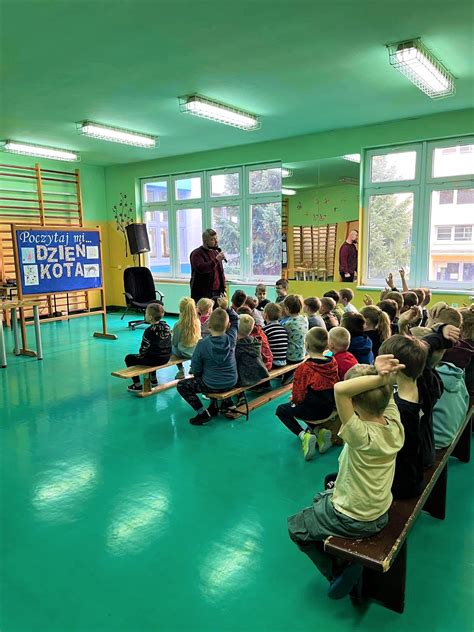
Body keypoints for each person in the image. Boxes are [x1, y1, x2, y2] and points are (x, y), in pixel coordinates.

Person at [288, 356, 405, 600]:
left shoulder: (359, 434)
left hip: (354, 517)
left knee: (297, 527)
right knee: (325, 489)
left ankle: (339, 573)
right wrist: (382, 377)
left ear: (353, 403)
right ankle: (344, 557)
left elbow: (340, 390)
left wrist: (379, 376)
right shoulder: (394, 425)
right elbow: (387, 393)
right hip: (379, 510)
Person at [275, 328, 339, 460]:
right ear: (326, 345)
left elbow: (298, 395)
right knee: (306, 401)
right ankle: (320, 432)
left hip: (311, 410)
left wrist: (293, 400)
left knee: (282, 409)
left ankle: (304, 436)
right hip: (328, 408)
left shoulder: (304, 368)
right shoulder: (332, 362)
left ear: (306, 345)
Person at [379, 334, 429, 499]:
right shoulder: (423, 386)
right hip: (414, 472)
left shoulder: (400, 410)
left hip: (401, 484)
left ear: (396, 368)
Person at [176, 298, 238, 425]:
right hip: (232, 381)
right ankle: (222, 403)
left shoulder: (202, 343)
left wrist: (200, 375)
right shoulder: (231, 339)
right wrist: (226, 307)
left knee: (182, 385)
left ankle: (202, 412)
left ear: (208, 326)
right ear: (228, 326)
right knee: (214, 372)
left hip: (211, 384)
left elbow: (195, 367)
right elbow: (236, 320)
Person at [224, 314, 270, 420]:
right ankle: (238, 397)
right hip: (257, 374)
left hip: (243, 379)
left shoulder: (236, 346)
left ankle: (228, 402)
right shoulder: (254, 342)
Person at [124, 302, 172, 392]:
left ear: (149, 317)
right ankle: (153, 379)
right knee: (154, 352)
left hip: (155, 359)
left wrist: (141, 354)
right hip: (166, 357)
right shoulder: (167, 327)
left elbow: (144, 349)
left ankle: (137, 384)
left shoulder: (149, 331)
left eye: (146, 313)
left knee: (129, 358)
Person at [189, 228, 226, 303]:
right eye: (212, 239)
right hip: (202, 293)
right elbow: (202, 268)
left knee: (217, 313)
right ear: (205, 241)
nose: (216, 241)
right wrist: (216, 260)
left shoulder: (215, 253)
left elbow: (220, 272)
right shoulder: (196, 254)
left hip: (217, 291)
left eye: (216, 238)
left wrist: (223, 288)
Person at [171, 297, 201, 380]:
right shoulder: (197, 322)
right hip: (195, 352)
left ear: (181, 310)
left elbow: (175, 342)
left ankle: (181, 370)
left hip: (183, 353)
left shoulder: (178, 324)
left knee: (172, 347)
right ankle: (192, 366)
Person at [282, 294, 309, 384]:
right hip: (303, 353)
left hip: (291, 357)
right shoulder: (305, 319)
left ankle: (290, 375)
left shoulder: (287, 324)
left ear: (287, 309)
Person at [263, 302, 289, 368]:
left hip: (273, 362)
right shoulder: (283, 328)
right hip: (283, 361)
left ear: (265, 315)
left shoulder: (265, 329)